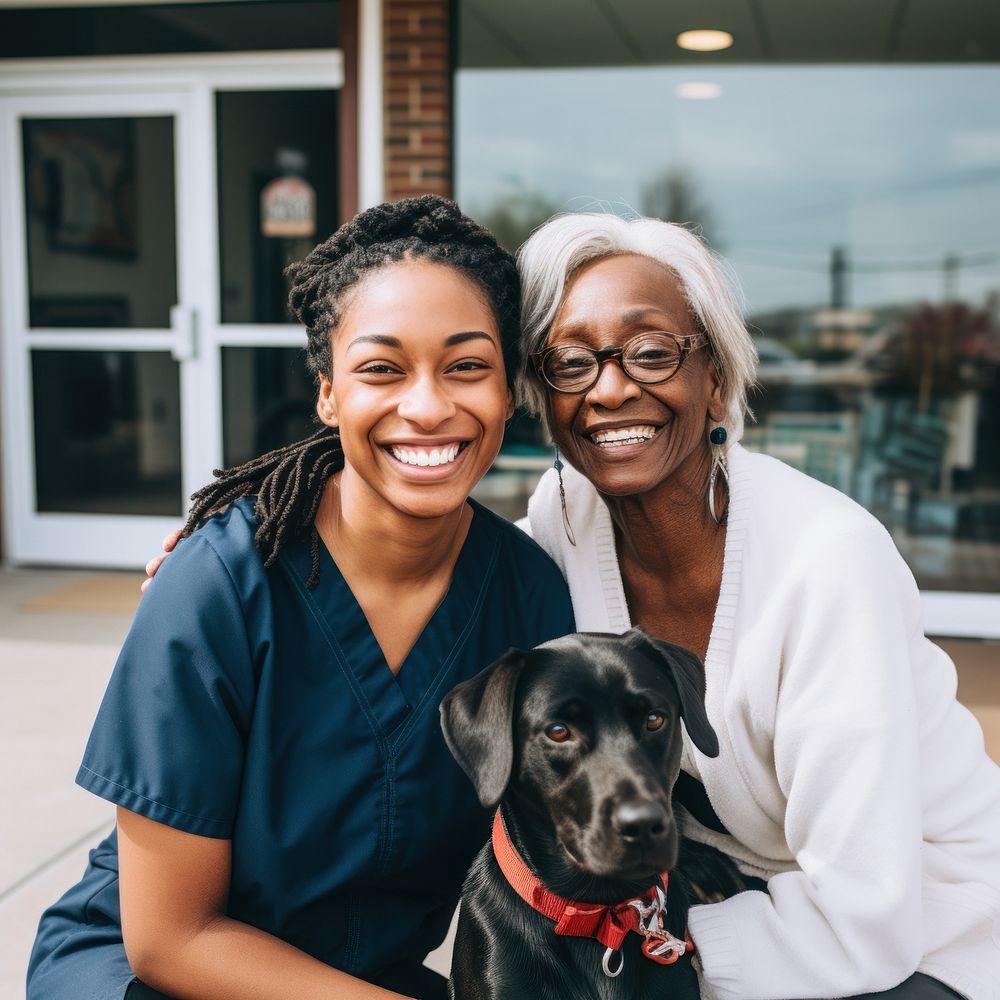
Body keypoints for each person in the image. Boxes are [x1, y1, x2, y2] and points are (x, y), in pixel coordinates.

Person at [26, 196, 574, 1000]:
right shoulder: (217, 587)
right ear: (328, 394)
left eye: (466, 366)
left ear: (506, 390)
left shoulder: (528, 597)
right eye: (381, 368)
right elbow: (168, 938)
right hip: (155, 976)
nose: (428, 406)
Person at [515, 212, 1000, 1000]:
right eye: (570, 361)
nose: (609, 387)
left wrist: (640, 937)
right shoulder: (563, 522)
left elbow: (865, 917)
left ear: (715, 377)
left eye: (650, 351)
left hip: (926, 922)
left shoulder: (828, 559)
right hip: (733, 897)